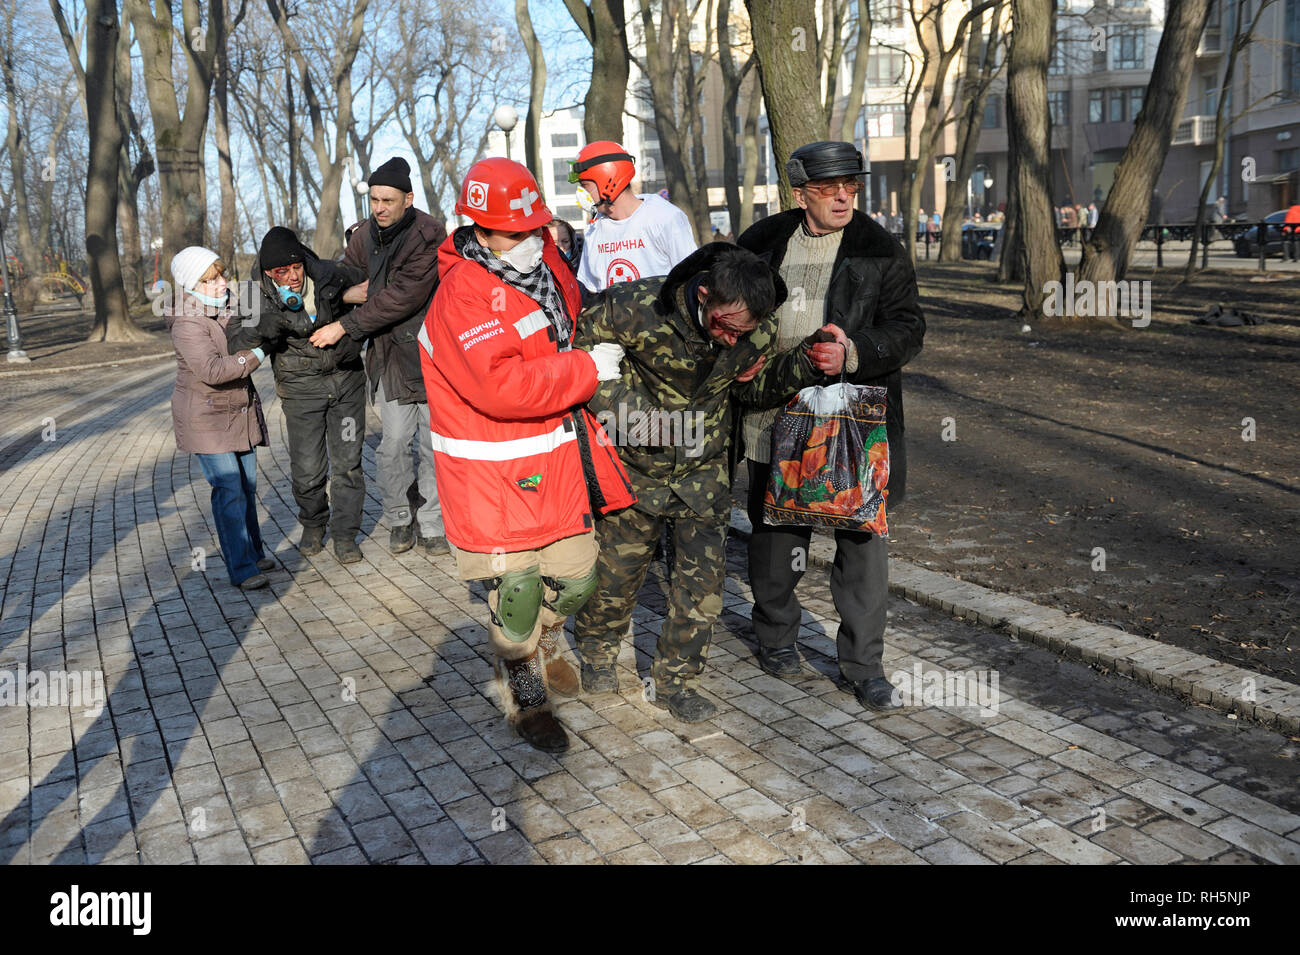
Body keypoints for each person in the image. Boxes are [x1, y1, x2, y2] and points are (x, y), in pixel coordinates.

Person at [422, 158, 635, 753]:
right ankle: (524, 696)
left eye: (535, 229)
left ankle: (541, 643)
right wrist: (585, 369)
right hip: (493, 476)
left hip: (557, 460)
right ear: (478, 231)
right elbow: (501, 386)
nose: (530, 242)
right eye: (514, 234)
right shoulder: (464, 295)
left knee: (575, 580)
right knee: (514, 595)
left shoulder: (549, 272)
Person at [574, 245, 827, 722]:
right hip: (637, 470)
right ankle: (597, 654)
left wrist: (806, 362)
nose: (733, 340)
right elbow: (586, 364)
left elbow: (751, 389)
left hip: (703, 476)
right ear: (704, 294)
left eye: (743, 333)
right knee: (614, 577)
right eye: (724, 328)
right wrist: (636, 420)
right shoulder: (633, 307)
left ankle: (675, 681)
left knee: (702, 591)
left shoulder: (757, 325)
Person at [736, 140, 927, 713]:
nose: (844, 195)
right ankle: (774, 639)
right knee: (775, 538)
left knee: (862, 544)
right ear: (800, 194)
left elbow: (908, 329)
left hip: (853, 425)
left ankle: (864, 665)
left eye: (851, 185)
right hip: (772, 418)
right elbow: (726, 309)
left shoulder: (879, 249)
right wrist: (737, 348)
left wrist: (855, 351)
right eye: (828, 188)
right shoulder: (760, 243)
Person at [308, 157, 449, 557]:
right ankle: (401, 519)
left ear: (409, 198)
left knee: (432, 447)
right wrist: (346, 294)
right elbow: (346, 277)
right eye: (374, 200)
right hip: (387, 357)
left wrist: (346, 325)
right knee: (393, 445)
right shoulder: (364, 235)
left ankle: (433, 522)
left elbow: (402, 297)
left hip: (429, 354)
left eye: (388, 200)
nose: (380, 208)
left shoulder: (428, 235)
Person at [228, 227, 369, 563]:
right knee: (307, 468)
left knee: (348, 463)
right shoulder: (253, 294)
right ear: (268, 273)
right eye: (282, 272)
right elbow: (235, 342)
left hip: (346, 382)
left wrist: (350, 333)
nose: (292, 277)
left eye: (296, 268)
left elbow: (370, 295)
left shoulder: (329, 275)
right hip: (300, 390)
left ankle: (346, 534)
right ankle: (313, 523)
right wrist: (272, 318)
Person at [168, 247, 274, 591]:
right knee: (229, 489)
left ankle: (254, 553)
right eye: (210, 279)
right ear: (192, 285)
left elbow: (258, 324)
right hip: (207, 419)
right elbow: (212, 370)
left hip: (238, 411)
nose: (221, 283)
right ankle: (242, 568)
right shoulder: (186, 322)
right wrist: (257, 354)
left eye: (221, 275)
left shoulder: (230, 308)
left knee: (247, 486)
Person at [569, 140, 697, 292]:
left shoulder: (665, 218)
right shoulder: (594, 229)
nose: (581, 193)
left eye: (584, 185)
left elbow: (691, 280)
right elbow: (590, 291)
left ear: (608, 178)